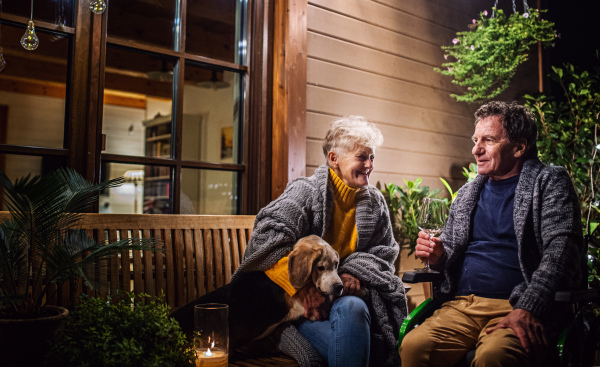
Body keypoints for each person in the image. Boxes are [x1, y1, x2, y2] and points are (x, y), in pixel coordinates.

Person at [399, 101, 584, 367]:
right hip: (463, 305)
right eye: (475, 140)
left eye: (488, 140)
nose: (476, 149)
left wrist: (529, 306)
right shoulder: (467, 193)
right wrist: (439, 255)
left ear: (519, 147)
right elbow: (449, 254)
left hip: (516, 305)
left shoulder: (549, 182)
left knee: (493, 357)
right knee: (414, 347)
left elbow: (561, 251)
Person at [232, 116, 407, 367]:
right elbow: (266, 241)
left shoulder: (375, 202)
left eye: (372, 157)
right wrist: (303, 287)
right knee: (373, 351)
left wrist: (352, 272)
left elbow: (384, 252)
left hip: (344, 297)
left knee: (353, 309)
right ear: (334, 158)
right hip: (294, 306)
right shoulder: (305, 192)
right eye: (362, 157)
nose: (369, 164)